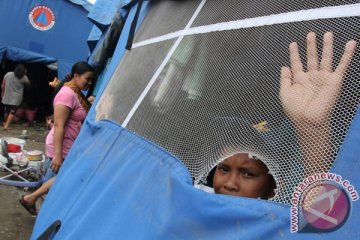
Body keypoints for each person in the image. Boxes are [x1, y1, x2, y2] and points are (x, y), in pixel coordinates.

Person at [199, 31, 357, 200]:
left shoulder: (280, 218)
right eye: (223, 168)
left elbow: (315, 209)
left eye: (248, 174)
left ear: (274, 188)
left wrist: (312, 130)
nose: (230, 184)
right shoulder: (197, 198)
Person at [18, 61, 97, 216]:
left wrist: (88, 103)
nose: (89, 82)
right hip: (60, 146)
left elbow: (73, 119)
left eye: (91, 80)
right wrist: (58, 155)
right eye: (87, 78)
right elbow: (59, 125)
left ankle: (33, 200)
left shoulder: (76, 93)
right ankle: (33, 201)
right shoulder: (67, 94)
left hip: (67, 144)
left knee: (57, 181)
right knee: (61, 180)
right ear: (76, 76)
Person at [1, 64, 30, 130]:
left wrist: (2, 93)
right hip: (16, 98)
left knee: (6, 110)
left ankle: (5, 123)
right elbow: (29, 83)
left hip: (6, 95)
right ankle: (6, 126)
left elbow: (3, 84)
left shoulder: (8, 74)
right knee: (12, 111)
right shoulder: (24, 77)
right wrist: (25, 73)